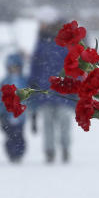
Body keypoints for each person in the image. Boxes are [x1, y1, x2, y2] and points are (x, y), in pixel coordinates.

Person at [28, 19, 73, 164]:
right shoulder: (44, 45)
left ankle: (60, 149)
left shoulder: (58, 45)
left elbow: (72, 68)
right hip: (50, 90)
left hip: (57, 89)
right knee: (51, 122)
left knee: (59, 121)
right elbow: (35, 68)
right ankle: (52, 150)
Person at [0, 52, 28, 163]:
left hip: (20, 116)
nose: (14, 69)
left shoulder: (24, 81)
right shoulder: (5, 82)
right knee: (10, 136)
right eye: (12, 67)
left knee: (19, 136)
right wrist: (0, 113)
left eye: (16, 67)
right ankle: (11, 154)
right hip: (8, 114)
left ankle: (19, 153)